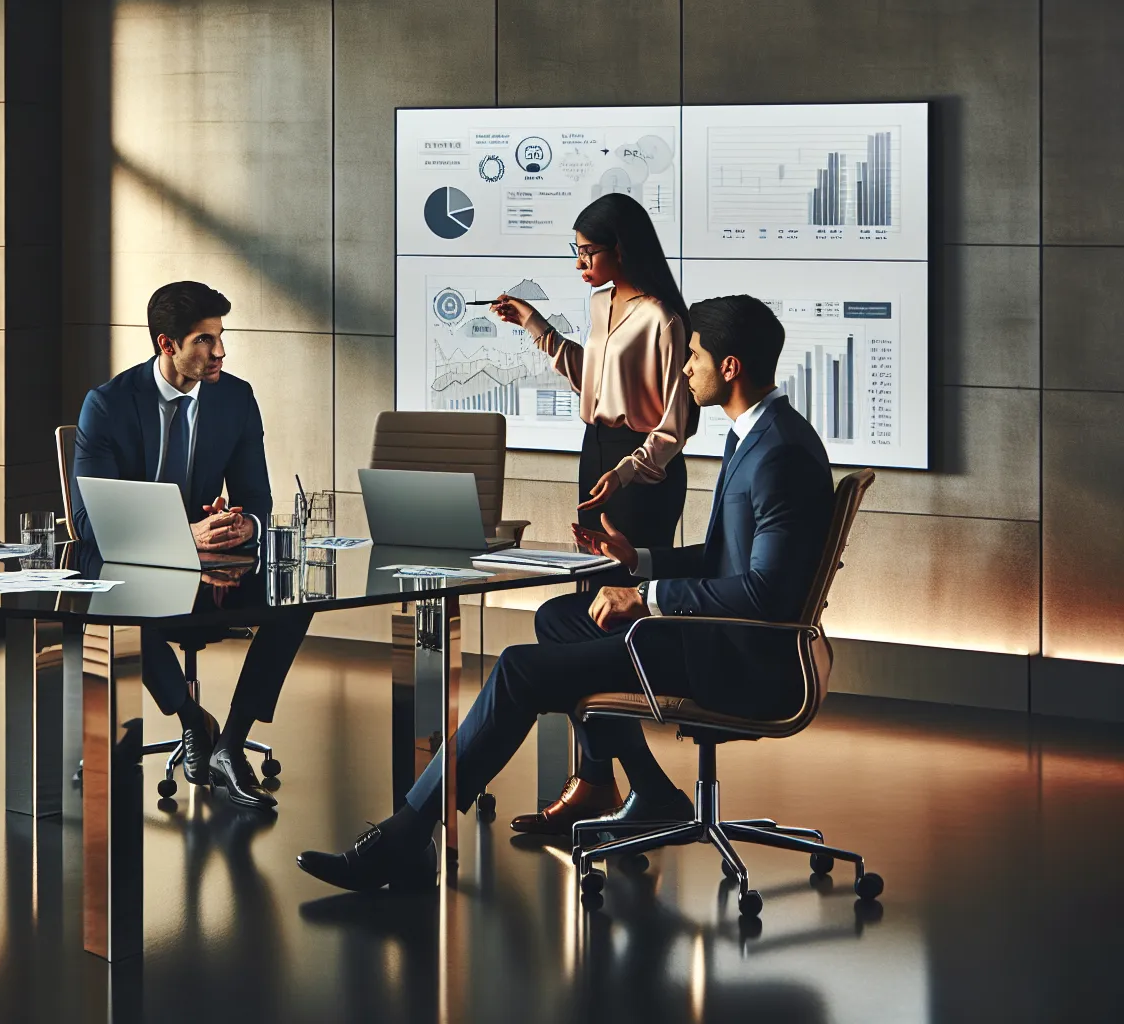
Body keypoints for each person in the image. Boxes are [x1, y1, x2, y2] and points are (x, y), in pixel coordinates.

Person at [296, 295, 835, 891]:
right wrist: (640, 561)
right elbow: (723, 559)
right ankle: (651, 788)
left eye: (694, 357)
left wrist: (647, 597)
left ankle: (409, 831)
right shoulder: (756, 436)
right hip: (718, 635)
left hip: (739, 655)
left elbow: (764, 595)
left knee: (519, 670)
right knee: (560, 617)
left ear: (729, 368)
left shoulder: (779, 454)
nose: (683, 370)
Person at [487, 193, 696, 836]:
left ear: (621, 248)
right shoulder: (601, 303)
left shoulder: (662, 317)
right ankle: (603, 778)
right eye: (575, 250)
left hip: (643, 473)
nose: (579, 261)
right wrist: (536, 327)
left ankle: (613, 781)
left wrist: (627, 473)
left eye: (588, 250)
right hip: (595, 455)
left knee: (608, 628)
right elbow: (595, 387)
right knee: (586, 616)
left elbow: (672, 426)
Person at [71, 281, 311, 809]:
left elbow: (257, 499)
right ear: (167, 344)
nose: (219, 351)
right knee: (123, 602)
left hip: (210, 568)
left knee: (295, 600)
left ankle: (230, 742)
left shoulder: (235, 397)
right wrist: (183, 539)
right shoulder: (108, 406)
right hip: (131, 570)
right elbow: (90, 525)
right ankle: (190, 718)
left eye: (220, 337)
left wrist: (241, 524)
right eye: (204, 340)